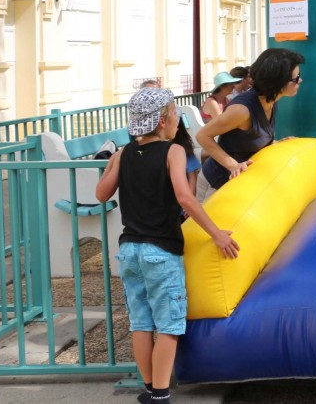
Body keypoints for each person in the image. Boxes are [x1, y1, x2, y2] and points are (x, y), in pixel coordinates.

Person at [95, 88, 239, 404]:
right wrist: (216, 233)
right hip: (160, 251)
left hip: (129, 251)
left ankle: (150, 390)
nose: (177, 120)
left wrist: (113, 161)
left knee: (141, 324)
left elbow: (101, 194)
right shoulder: (173, 151)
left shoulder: (124, 153)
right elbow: (185, 197)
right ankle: (161, 395)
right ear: (162, 121)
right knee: (169, 325)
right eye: (174, 114)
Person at [197, 49, 304, 191]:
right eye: (296, 78)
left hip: (236, 184)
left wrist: (273, 142)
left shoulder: (272, 100)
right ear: (278, 82)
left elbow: (246, 138)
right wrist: (232, 165)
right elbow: (202, 135)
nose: (300, 81)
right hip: (216, 183)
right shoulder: (242, 110)